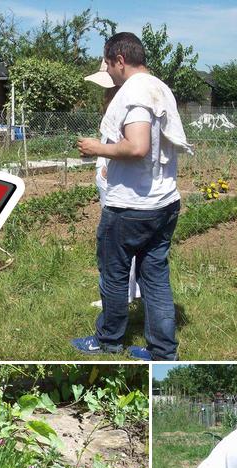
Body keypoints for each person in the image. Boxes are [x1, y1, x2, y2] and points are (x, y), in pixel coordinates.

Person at [71, 32, 192, 361]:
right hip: (165, 202)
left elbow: (138, 146)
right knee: (155, 279)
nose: (108, 72)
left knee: (114, 275)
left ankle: (108, 341)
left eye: (108, 65)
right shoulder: (160, 87)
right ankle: (163, 351)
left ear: (120, 61)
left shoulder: (135, 91)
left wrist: (96, 148)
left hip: (131, 207)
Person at [84, 60, 141, 308]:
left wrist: (106, 163)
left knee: (117, 240)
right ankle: (132, 290)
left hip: (113, 178)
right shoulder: (118, 100)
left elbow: (121, 143)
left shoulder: (121, 102)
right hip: (109, 174)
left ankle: (122, 295)